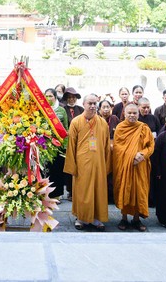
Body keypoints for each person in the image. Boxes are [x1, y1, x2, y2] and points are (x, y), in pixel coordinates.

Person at [64, 94, 111, 231]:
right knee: (82, 191)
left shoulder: (102, 122)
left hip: (99, 163)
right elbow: (71, 145)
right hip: (82, 163)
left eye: (95, 103)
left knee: (98, 190)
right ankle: (81, 218)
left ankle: (97, 218)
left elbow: (107, 145)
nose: (92, 106)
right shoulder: (76, 122)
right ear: (83, 104)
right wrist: (73, 165)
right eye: (90, 103)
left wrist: (107, 165)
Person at [113, 104, 154, 231]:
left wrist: (142, 154)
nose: (132, 115)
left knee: (139, 190)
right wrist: (132, 156)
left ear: (138, 114)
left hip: (140, 165)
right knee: (125, 189)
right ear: (124, 114)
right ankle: (124, 218)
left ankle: (137, 219)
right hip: (125, 165)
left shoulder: (143, 128)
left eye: (134, 113)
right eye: (129, 113)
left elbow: (151, 146)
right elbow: (118, 148)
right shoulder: (120, 127)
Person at [44, 88, 69, 200]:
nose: (49, 98)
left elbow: (66, 129)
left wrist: (65, 146)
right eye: (47, 96)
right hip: (44, 145)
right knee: (46, 170)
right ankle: (44, 193)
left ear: (55, 97)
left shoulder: (61, 110)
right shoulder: (41, 110)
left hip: (58, 146)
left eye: (51, 96)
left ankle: (57, 195)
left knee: (57, 170)